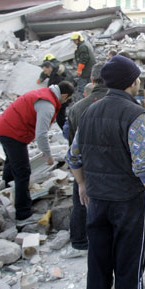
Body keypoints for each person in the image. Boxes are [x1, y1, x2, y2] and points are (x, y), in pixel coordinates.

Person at [66, 55, 145, 289]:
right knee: (129, 267)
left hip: (97, 201)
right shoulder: (134, 113)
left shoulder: (88, 111)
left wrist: (82, 184)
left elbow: (74, 157)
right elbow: (144, 166)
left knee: (97, 268)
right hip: (128, 204)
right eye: (136, 78)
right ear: (132, 82)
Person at [0, 81, 74, 221]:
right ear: (64, 95)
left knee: (11, 162)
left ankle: (5, 191)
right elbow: (41, 134)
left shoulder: (44, 93)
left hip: (3, 128)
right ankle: (23, 213)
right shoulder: (47, 104)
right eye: (67, 99)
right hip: (13, 134)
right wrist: (48, 155)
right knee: (23, 172)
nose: (65, 102)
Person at [62, 64, 108, 259]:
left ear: (91, 80)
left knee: (80, 200)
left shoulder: (76, 108)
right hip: (111, 166)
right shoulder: (120, 103)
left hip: (85, 165)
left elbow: (72, 142)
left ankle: (79, 240)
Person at [39, 60, 74, 129]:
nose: (45, 73)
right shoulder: (56, 73)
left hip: (62, 100)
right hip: (64, 98)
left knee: (60, 119)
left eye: (46, 71)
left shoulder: (55, 76)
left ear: (50, 68)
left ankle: (68, 133)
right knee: (61, 118)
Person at [70, 32, 96, 99]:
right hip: (89, 69)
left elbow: (84, 59)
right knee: (90, 84)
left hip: (86, 70)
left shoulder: (83, 46)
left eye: (75, 40)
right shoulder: (84, 44)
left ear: (78, 39)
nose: (74, 42)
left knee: (82, 86)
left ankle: (84, 99)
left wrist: (79, 69)